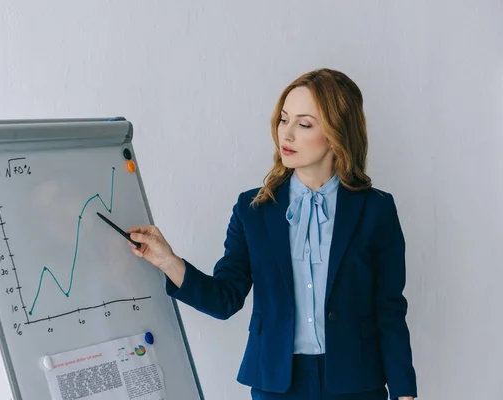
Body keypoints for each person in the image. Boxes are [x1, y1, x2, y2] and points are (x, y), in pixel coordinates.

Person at [126, 68, 417, 400]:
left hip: (356, 381)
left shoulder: (376, 209)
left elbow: (389, 307)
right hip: (277, 383)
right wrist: (168, 261)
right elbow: (225, 298)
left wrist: (404, 390)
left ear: (338, 132)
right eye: (283, 119)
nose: (287, 135)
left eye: (304, 124)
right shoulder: (253, 209)